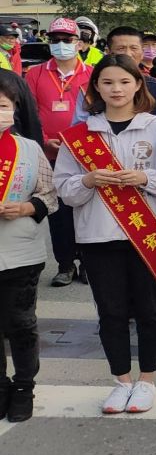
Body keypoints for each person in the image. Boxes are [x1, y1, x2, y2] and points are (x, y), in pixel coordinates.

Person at [53, 54, 156, 415]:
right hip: (98, 235)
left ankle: (147, 381)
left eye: (124, 82)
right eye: (107, 83)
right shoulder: (80, 136)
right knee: (111, 312)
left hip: (149, 232)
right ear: (96, 88)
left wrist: (144, 178)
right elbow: (65, 190)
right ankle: (121, 381)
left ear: (138, 85)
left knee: (149, 310)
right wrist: (88, 180)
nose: (116, 89)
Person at [0, 74, 57, 423]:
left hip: (19, 253)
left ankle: (23, 386)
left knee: (20, 324)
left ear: (15, 110)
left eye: (3, 106)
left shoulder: (29, 149)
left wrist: (24, 207)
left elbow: (50, 198)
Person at [27, 17, 92, 287]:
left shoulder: (93, 73)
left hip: (85, 155)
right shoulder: (35, 73)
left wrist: (81, 144)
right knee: (58, 214)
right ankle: (65, 265)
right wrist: (43, 141)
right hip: (50, 154)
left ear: (78, 43)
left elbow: (98, 112)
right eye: (55, 40)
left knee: (87, 211)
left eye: (67, 40)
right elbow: (28, 113)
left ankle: (88, 263)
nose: (61, 45)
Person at [98, 27, 156, 120]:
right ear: (108, 52)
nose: (128, 54)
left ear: (142, 52)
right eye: (121, 48)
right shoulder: (92, 86)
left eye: (134, 48)